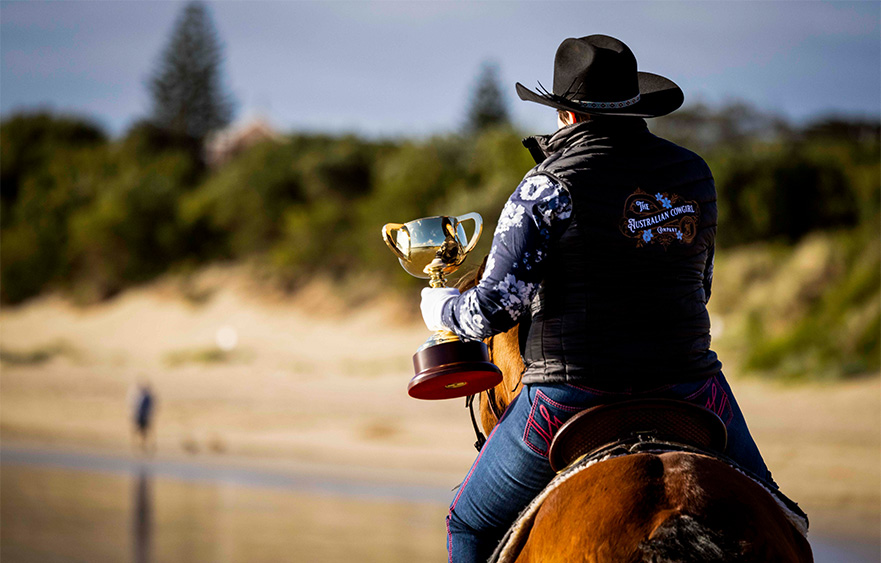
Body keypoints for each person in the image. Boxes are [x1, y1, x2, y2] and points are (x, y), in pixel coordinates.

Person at [419, 35, 774, 562]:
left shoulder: (546, 186)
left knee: (467, 524)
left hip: (572, 395)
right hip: (692, 384)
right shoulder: (694, 173)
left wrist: (439, 306)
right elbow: (700, 285)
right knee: (779, 513)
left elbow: (493, 309)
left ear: (565, 113)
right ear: (633, 105)